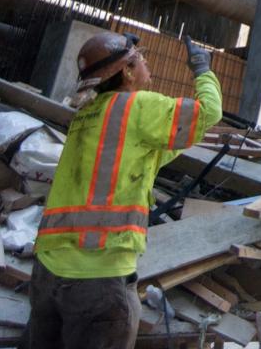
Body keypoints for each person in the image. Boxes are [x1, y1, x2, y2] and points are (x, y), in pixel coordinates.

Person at [22, 31, 222, 349]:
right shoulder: (138, 108)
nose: (146, 63)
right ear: (127, 72)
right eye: (140, 58)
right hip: (98, 276)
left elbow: (144, 154)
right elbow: (209, 111)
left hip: (48, 272)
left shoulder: (86, 115)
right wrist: (202, 68)